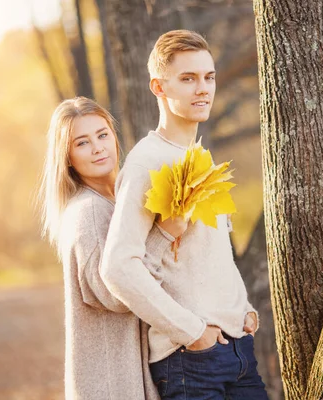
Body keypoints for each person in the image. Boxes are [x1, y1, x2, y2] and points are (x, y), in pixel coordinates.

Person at [100, 30, 269, 399]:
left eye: (209, 77)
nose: (203, 89)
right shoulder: (146, 162)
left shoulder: (198, 156)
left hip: (238, 351)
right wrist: (192, 333)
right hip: (190, 363)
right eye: (188, 79)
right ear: (159, 87)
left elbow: (208, 256)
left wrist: (242, 308)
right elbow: (117, 267)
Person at [39, 97, 185, 399]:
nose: (98, 148)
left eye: (102, 134)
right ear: (67, 158)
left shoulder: (119, 201)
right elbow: (114, 293)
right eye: (82, 143)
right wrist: (162, 236)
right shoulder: (89, 212)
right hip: (113, 384)